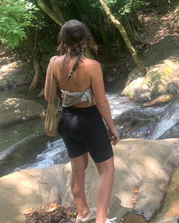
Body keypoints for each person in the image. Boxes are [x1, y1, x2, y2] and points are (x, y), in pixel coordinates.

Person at [44, 20, 119, 223]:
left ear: (63, 40)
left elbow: (49, 97)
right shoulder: (93, 66)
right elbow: (102, 101)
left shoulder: (53, 63)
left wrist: (68, 93)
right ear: (86, 40)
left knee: (78, 169)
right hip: (89, 122)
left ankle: (83, 214)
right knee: (107, 169)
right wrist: (112, 127)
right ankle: (101, 219)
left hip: (66, 122)